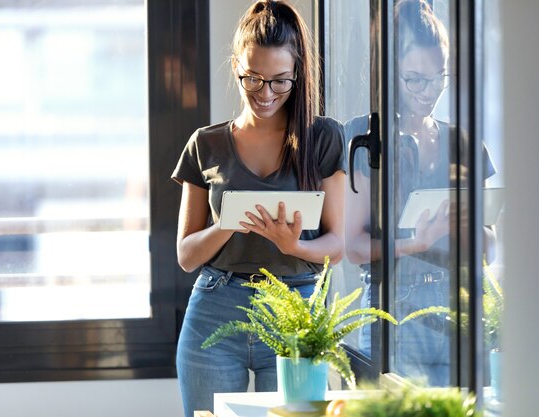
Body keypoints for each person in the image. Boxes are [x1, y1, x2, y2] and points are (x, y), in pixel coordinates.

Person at [171, 1, 346, 415]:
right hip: (215, 309)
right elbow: (185, 255)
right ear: (236, 66)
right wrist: (228, 224)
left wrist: (295, 247)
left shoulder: (322, 137)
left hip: (295, 313)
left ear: (297, 73)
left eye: (280, 81)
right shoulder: (205, 144)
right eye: (253, 78)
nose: (265, 93)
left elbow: (336, 245)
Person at [344, 0, 496, 386]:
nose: (429, 92)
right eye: (415, 79)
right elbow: (354, 248)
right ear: (393, 73)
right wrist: (417, 242)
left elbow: (489, 248)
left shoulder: (464, 143)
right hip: (393, 308)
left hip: (459, 307)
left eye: (439, 77)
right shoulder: (367, 137)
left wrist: (467, 229)